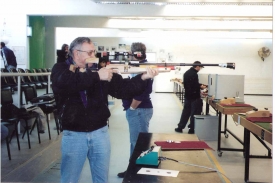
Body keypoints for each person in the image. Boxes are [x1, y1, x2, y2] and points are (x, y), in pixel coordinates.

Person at [50, 37, 158, 183]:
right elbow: (67, 83)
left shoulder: (97, 70)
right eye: (89, 52)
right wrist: (97, 76)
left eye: (93, 51)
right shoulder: (61, 69)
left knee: (101, 179)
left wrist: (144, 77)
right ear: (76, 53)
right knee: (69, 179)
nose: (93, 55)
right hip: (74, 135)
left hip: (100, 133)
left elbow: (123, 89)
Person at [117, 42, 154, 178]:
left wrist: (132, 108)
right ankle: (135, 170)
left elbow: (144, 92)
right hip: (139, 109)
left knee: (137, 142)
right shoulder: (137, 66)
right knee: (137, 142)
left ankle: (135, 172)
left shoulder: (145, 68)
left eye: (131, 53)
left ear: (136, 53)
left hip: (139, 109)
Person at [175, 61, 207, 134]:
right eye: (200, 67)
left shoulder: (187, 73)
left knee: (186, 112)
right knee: (194, 113)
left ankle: (180, 127)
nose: (200, 69)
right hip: (194, 97)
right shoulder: (194, 74)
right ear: (197, 66)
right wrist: (201, 87)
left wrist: (199, 85)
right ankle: (191, 129)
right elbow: (194, 86)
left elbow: (190, 84)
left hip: (187, 96)